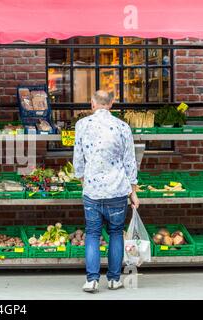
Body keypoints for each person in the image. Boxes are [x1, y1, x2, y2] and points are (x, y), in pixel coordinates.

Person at [73, 90, 139, 293]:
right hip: (117, 190)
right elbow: (130, 162)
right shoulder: (122, 126)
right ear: (111, 104)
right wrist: (133, 191)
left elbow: (78, 158)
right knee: (116, 233)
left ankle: (92, 280)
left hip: (92, 192)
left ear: (92, 104)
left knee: (92, 233)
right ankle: (113, 279)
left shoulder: (82, 125)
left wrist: (84, 180)